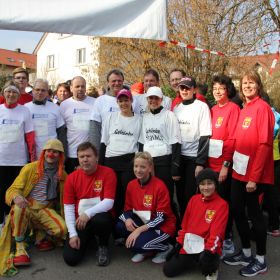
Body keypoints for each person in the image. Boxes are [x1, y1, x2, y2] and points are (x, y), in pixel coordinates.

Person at [223, 71, 275, 277]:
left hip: (255, 175)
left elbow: (264, 145)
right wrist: (227, 164)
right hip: (238, 170)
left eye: (251, 82)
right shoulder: (245, 109)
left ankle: (260, 259)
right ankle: (245, 253)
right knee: (236, 210)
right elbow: (234, 140)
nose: (247, 86)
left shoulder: (263, 109)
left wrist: (254, 177)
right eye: (244, 83)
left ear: (258, 86)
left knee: (255, 215)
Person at [0, 139, 67, 276]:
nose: (51, 154)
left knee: (62, 229)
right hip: (27, 207)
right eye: (48, 151)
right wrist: (16, 197)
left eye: (55, 152)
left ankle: (39, 234)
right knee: (19, 207)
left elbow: (68, 194)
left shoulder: (62, 174)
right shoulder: (30, 168)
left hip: (45, 209)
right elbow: (12, 189)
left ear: (60, 155)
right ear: (44, 153)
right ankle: (19, 246)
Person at [163, 168, 229, 280]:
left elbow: (217, 234)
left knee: (208, 265)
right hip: (191, 244)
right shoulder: (193, 200)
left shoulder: (222, 205)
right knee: (168, 270)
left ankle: (212, 262)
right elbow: (185, 226)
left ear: (215, 185)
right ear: (198, 186)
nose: (206, 187)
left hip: (208, 247)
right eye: (202, 184)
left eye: (210, 183)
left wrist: (209, 254)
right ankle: (194, 259)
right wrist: (178, 244)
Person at [115, 152, 176, 264]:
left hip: (163, 227)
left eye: (143, 167)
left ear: (150, 168)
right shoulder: (131, 185)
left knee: (136, 246)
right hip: (144, 223)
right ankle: (146, 248)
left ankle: (166, 248)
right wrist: (127, 219)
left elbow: (161, 218)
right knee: (120, 226)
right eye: (136, 166)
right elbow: (127, 209)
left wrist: (139, 230)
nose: (138, 170)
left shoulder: (160, 186)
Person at [63, 142, 117, 267]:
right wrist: (73, 234)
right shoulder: (71, 178)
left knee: (102, 219)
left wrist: (88, 214)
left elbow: (109, 202)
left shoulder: (108, 173)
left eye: (88, 156)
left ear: (96, 157)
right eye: (81, 157)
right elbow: (69, 207)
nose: (85, 160)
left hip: (99, 219)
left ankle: (103, 245)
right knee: (71, 259)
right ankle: (89, 239)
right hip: (80, 223)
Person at [208, 75, 240, 256]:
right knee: (211, 202)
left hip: (223, 166)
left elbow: (233, 139)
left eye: (221, 88)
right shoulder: (212, 109)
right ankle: (214, 235)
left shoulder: (233, 109)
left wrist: (226, 165)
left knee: (223, 203)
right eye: (215, 89)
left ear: (228, 90)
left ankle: (227, 238)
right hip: (209, 164)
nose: (217, 91)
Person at [173, 76, 212, 217]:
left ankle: (193, 225)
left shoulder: (201, 107)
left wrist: (200, 163)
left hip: (193, 160)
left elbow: (205, 135)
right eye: (182, 87)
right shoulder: (176, 109)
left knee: (191, 196)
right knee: (180, 196)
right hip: (179, 159)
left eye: (187, 87)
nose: (184, 90)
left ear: (194, 89)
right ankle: (183, 226)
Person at [100, 89, 141, 217]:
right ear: (117, 102)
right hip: (111, 160)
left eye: (126, 100)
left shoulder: (139, 119)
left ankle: (126, 223)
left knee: (127, 193)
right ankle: (114, 225)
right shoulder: (110, 117)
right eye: (121, 101)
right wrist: (101, 165)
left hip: (129, 160)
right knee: (112, 194)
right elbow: (104, 141)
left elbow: (140, 144)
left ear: (131, 101)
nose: (123, 104)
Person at [0, 81, 35, 232]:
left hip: (19, 159)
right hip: (1, 159)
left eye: (14, 92)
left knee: (18, 192)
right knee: (2, 191)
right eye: (8, 91)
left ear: (18, 95)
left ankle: (16, 222)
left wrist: (32, 157)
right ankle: (2, 222)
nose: (11, 95)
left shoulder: (24, 111)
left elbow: (30, 135)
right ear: (3, 93)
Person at [138, 86, 181, 199]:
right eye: (150, 98)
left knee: (165, 195)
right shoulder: (145, 117)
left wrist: (175, 167)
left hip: (164, 162)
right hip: (148, 162)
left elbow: (176, 142)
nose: (153, 101)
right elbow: (142, 142)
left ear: (161, 99)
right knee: (149, 194)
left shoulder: (169, 115)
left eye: (156, 98)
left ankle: (169, 216)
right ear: (147, 100)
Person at [60, 76, 95, 173]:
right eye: (77, 86)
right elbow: (62, 130)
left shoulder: (94, 102)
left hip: (89, 154)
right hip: (72, 154)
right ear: (71, 88)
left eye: (83, 86)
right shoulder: (64, 105)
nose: (80, 89)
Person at [25, 79, 67, 159]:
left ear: (47, 92)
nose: (40, 92)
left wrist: (63, 154)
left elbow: (61, 134)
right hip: (31, 155)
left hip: (52, 154)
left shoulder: (55, 108)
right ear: (33, 91)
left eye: (43, 90)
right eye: (37, 89)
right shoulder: (26, 108)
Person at [90, 69, 126, 150]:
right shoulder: (100, 101)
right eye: (113, 81)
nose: (116, 83)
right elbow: (95, 128)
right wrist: (95, 151)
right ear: (108, 82)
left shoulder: (132, 100)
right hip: (107, 148)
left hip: (127, 148)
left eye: (119, 81)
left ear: (123, 82)